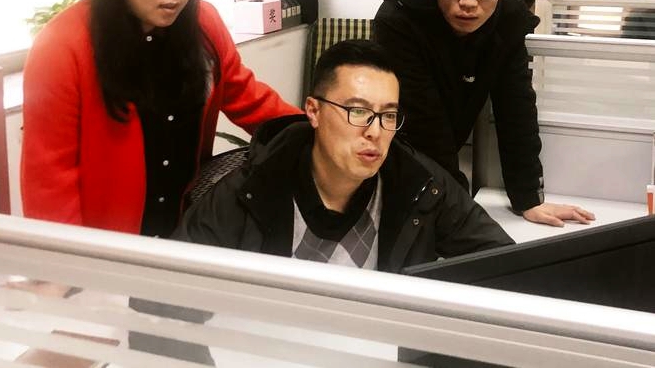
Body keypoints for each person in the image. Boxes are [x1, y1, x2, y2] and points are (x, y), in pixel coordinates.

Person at [21, 0, 301, 238]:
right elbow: (49, 180)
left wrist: (322, 131)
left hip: (185, 228)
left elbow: (250, 99)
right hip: (106, 243)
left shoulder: (203, 24)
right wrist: (68, 262)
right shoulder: (62, 46)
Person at [177, 40, 514, 270]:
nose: (375, 131)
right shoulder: (249, 191)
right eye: (358, 111)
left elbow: (505, 266)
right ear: (313, 111)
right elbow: (172, 296)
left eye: (388, 115)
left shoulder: (421, 185)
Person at [374, 0, 595, 227]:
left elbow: (515, 107)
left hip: (444, 150)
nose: (469, 2)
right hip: (388, 161)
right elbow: (425, 127)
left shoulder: (509, 19)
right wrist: (463, 214)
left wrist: (528, 199)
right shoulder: (398, 22)